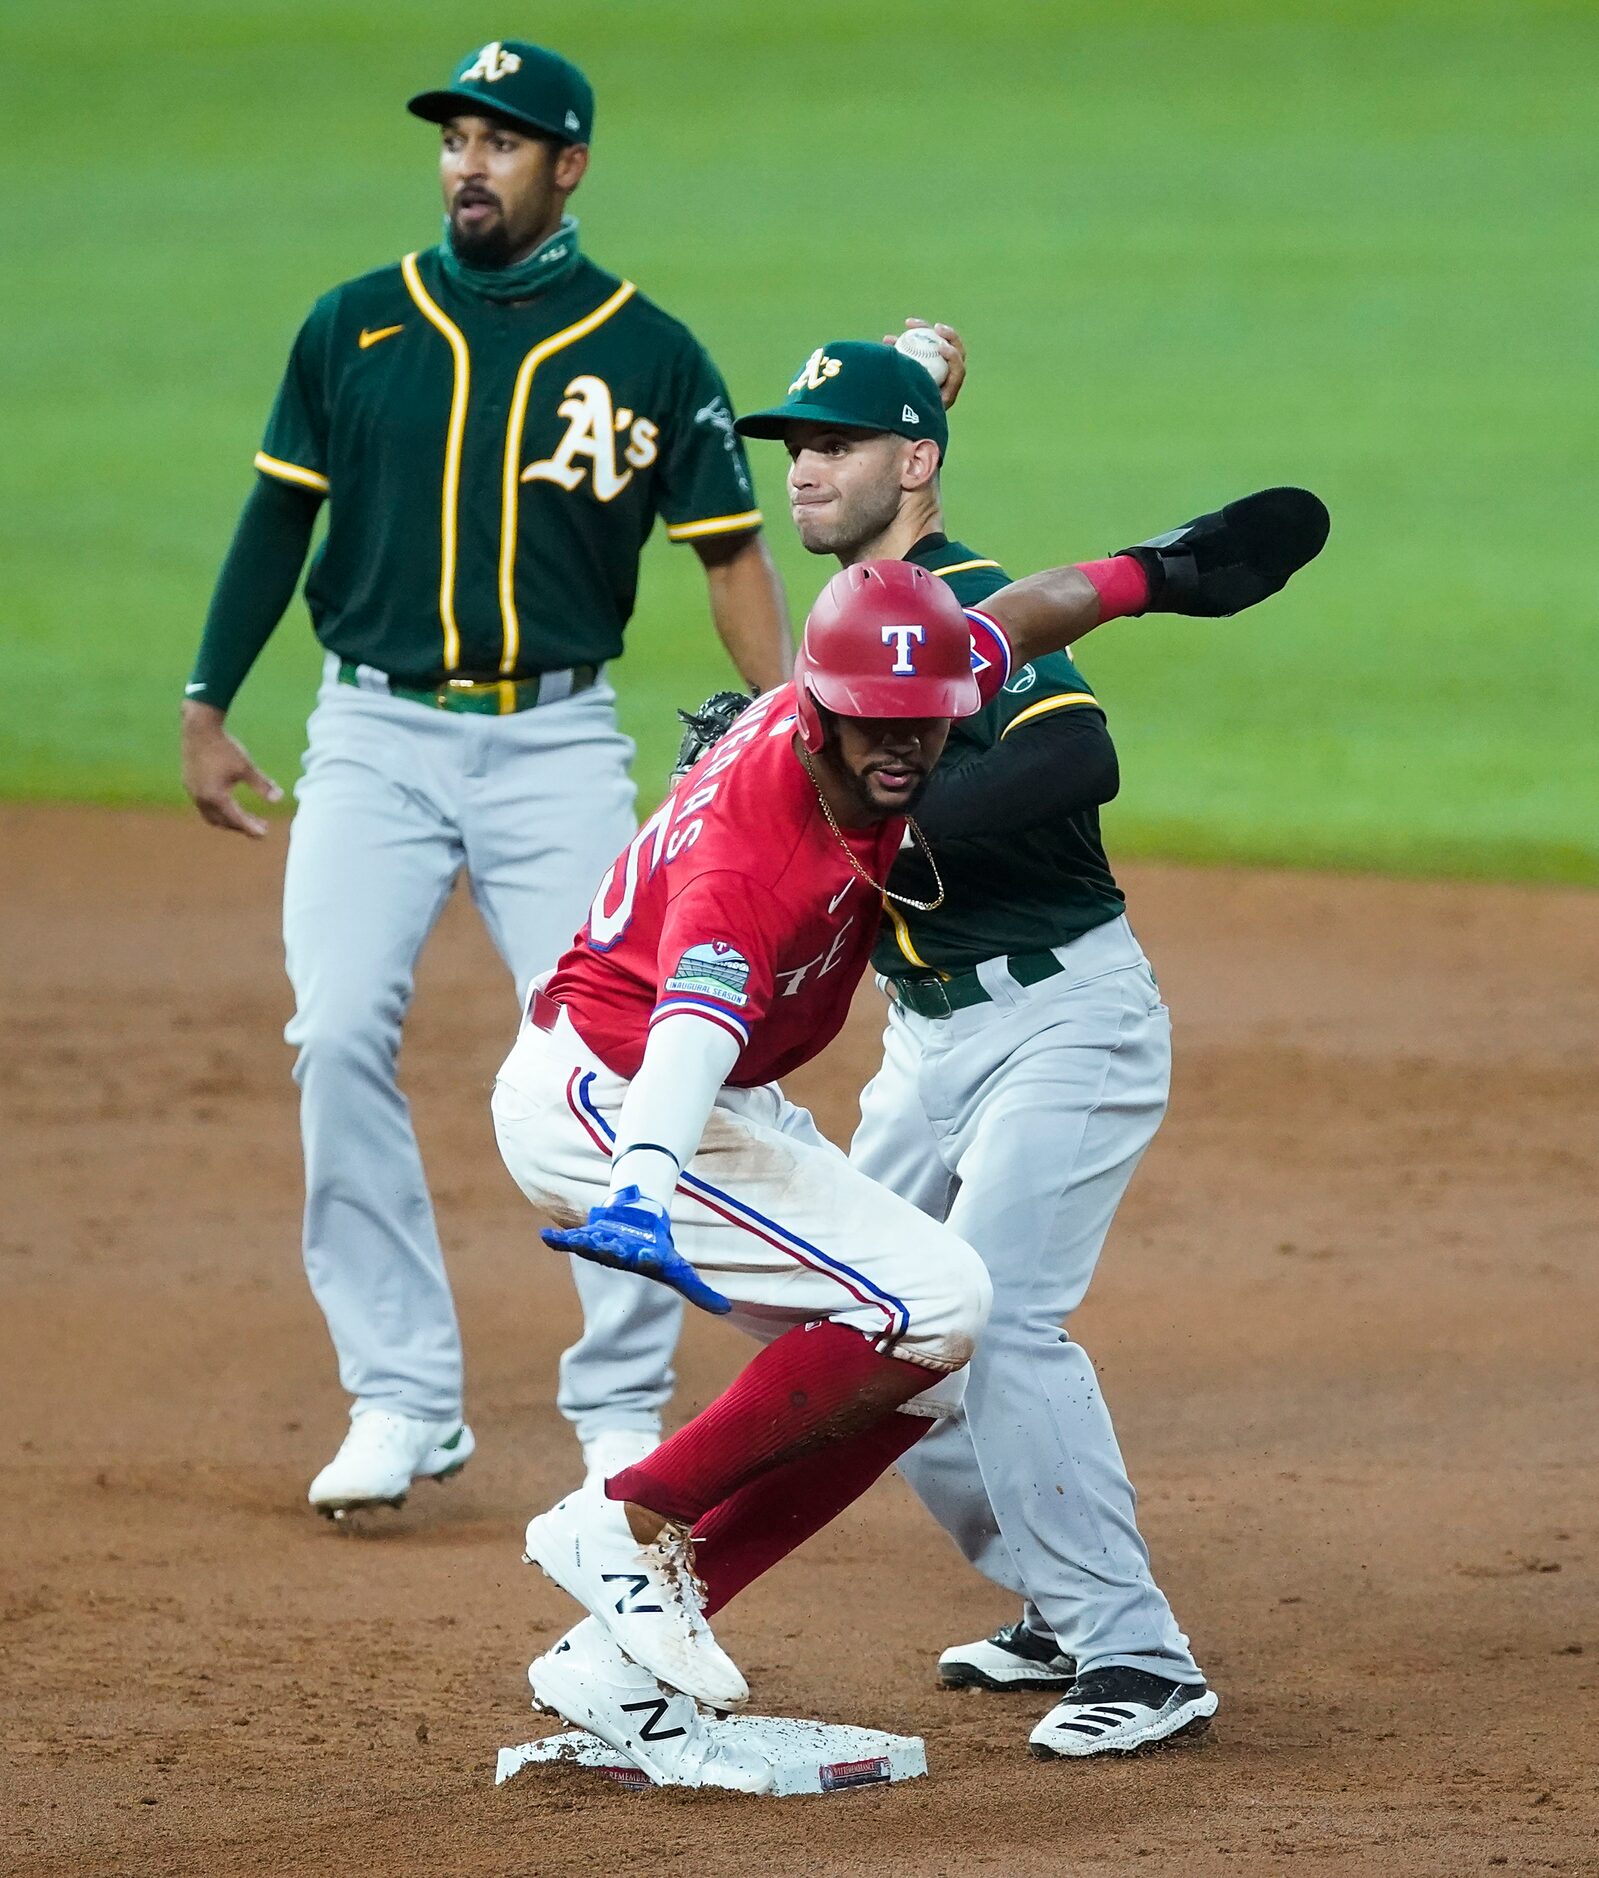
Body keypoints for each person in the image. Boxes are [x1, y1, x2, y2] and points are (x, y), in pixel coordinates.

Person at [493, 474, 1324, 1787]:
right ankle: (628, 1520)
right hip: (620, 1096)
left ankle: (636, 1620)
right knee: (947, 1307)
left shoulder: (901, 692)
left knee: (923, 1340)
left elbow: (1031, 616)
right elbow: (693, 1021)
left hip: (828, 1070)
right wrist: (644, 1184)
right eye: (870, 729)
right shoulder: (753, 859)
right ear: (809, 711)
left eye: (924, 728)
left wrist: (1153, 573)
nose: (902, 750)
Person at [179, 39, 789, 1518]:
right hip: (371, 737)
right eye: (455, 136)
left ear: (565, 166)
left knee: (618, 1055)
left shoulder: (652, 352)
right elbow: (278, 530)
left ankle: (620, 1403)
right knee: (334, 1032)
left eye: (501, 143)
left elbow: (729, 554)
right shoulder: (354, 326)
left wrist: (787, 725)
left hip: (557, 744)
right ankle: (400, 1394)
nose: (468, 161)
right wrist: (208, 698)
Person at [732, 337, 1329, 1756]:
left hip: (1064, 1020)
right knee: (854, 1325)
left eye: (837, 441)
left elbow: (1078, 758)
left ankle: (1139, 1656)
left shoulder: (969, 607)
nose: (803, 466)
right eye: (793, 443)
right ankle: (1059, 1596)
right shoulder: (845, 618)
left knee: (996, 1323)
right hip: (925, 1044)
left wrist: (888, 827)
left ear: (915, 463)